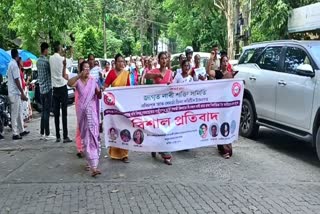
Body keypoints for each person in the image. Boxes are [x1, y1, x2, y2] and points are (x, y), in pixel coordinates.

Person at [68, 61, 102, 177]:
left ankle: (94, 166)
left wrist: (100, 91)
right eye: (85, 68)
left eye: (88, 68)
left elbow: (99, 95)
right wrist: (78, 75)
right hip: (82, 114)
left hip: (92, 114)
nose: (87, 70)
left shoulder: (93, 81)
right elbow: (69, 83)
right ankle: (90, 161)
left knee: (93, 137)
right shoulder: (77, 81)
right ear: (81, 70)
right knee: (86, 139)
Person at [145, 52, 173, 165]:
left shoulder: (170, 73)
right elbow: (146, 76)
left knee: (166, 127)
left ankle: (165, 151)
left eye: (165, 58)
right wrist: (156, 76)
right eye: (162, 58)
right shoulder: (155, 71)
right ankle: (158, 148)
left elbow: (173, 87)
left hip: (167, 105)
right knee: (157, 127)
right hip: (156, 105)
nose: (164, 60)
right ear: (159, 60)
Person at [104, 53, 131, 163]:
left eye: (123, 61)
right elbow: (105, 87)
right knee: (115, 128)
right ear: (115, 62)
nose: (121, 63)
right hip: (114, 106)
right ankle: (115, 153)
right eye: (119, 61)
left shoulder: (126, 74)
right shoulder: (111, 73)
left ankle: (124, 154)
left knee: (124, 128)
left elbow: (129, 89)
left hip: (124, 106)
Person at [49, 41, 72, 143]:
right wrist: (70, 53)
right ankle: (65, 136)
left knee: (56, 113)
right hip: (62, 87)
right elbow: (70, 62)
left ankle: (58, 135)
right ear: (59, 48)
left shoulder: (50, 58)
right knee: (64, 113)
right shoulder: (63, 59)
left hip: (55, 88)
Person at [215, 55, 234, 159]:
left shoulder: (230, 74)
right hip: (219, 103)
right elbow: (209, 72)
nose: (225, 63)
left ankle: (227, 148)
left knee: (226, 124)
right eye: (223, 61)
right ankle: (222, 148)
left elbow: (234, 87)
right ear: (221, 62)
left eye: (227, 61)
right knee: (220, 124)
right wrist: (211, 58)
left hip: (227, 104)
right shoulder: (218, 73)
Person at [7, 49, 29, 140]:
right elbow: (17, 80)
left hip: (15, 92)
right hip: (15, 92)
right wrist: (22, 92)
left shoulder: (11, 64)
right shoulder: (14, 65)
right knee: (15, 113)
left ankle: (21, 130)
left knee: (19, 112)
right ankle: (15, 133)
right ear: (17, 55)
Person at [37, 42, 55, 140]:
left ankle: (42, 131)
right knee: (47, 111)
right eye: (47, 49)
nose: (48, 51)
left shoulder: (38, 61)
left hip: (41, 89)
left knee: (43, 111)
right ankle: (47, 133)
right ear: (45, 50)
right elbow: (50, 73)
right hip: (48, 89)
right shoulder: (46, 62)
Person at [75, 58, 85, 158]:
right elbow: (68, 81)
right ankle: (79, 148)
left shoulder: (89, 78)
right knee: (79, 125)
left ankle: (87, 146)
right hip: (79, 104)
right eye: (80, 64)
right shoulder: (76, 78)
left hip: (88, 105)